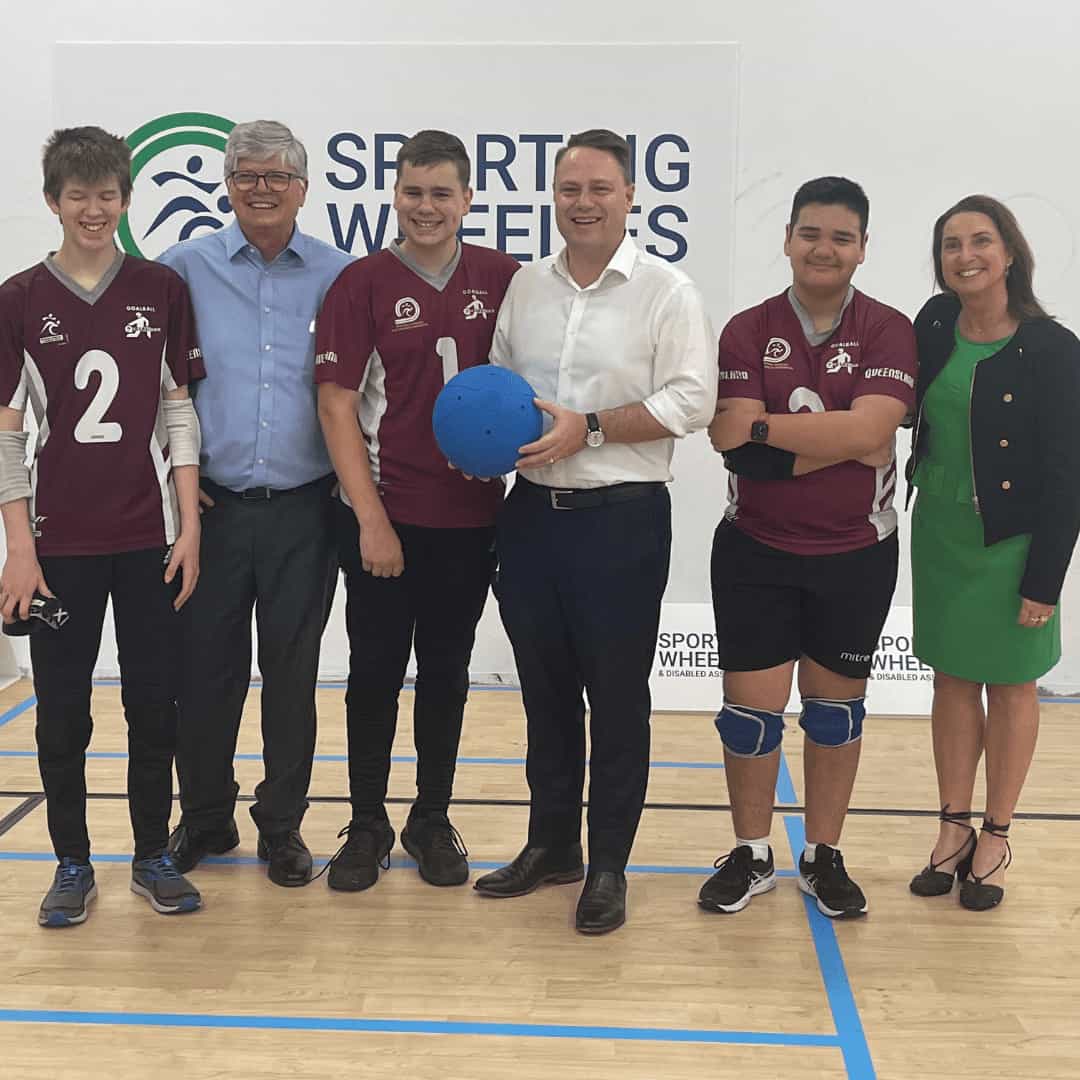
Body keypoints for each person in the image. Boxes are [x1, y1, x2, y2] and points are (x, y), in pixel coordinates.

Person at [472, 129, 716, 935]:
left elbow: (691, 401)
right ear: (554, 195)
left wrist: (594, 429)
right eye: (570, 188)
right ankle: (552, 846)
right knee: (545, 699)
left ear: (630, 196)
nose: (583, 203)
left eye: (600, 189)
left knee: (615, 701)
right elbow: (501, 385)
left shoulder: (666, 291)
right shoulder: (525, 288)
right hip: (532, 518)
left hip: (622, 522)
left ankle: (609, 864)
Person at [0, 126, 204, 925]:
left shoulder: (159, 288)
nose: (93, 208)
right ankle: (71, 862)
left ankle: (151, 854)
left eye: (107, 194)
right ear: (53, 201)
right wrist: (20, 547)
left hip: (148, 539)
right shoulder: (18, 298)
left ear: (125, 198)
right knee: (62, 710)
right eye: (77, 195)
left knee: (155, 704)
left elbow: (179, 413)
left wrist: (188, 524)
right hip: (58, 549)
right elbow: (7, 433)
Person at [703, 177, 916, 919]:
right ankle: (753, 851)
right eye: (812, 234)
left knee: (833, 714)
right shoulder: (745, 328)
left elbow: (873, 434)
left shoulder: (889, 329)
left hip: (856, 553)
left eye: (842, 237)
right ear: (789, 239)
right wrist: (842, 435)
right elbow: (734, 447)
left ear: (862, 248)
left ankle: (824, 854)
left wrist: (765, 425)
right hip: (755, 550)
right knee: (749, 719)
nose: (825, 249)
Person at [314, 130, 519, 891]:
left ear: (467, 199)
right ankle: (366, 820)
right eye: (412, 192)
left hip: (469, 521)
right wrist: (370, 518)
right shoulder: (360, 283)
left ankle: (430, 816)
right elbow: (336, 407)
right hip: (381, 518)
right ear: (393, 196)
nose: (425, 206)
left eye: (441, 193)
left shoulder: (505, 277)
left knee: (446, 673)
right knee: (372, 672)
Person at [159, 120, 353, 887]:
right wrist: (172, 476)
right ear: (228, 186)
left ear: (304, 188)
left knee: (292, 676)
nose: (262, 187)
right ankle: (205, 816)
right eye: (247, 175)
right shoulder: (182, 269)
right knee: (205, 674)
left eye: (277, 175)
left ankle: (282, 828)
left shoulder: (342, 275)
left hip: (306, 511)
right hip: (212, 512)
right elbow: (156, 383)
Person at [907, 195, 1080, 911]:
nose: (965, 255)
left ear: (1010, 252)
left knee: (1010, 687)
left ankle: (997, 834)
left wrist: (1045, 580)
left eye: (981, 241)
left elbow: (1069, 473)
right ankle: (952, 829)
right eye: (951, 244)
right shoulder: (934, 321)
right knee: (951, 680)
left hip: (1013, 541)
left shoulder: (1053, 347)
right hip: (940, 533)